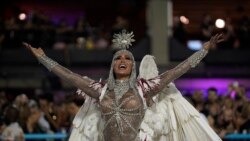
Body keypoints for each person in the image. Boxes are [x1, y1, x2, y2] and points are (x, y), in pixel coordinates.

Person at [23, 30, 224, 141]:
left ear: (133, 65)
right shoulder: (99, 90)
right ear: (112, 65)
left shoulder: (144, 88)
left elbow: (176, 71)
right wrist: (43, 58)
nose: (122, 59)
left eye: (127, 58)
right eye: (118, 57)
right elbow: (70, 76)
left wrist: (204, 50)